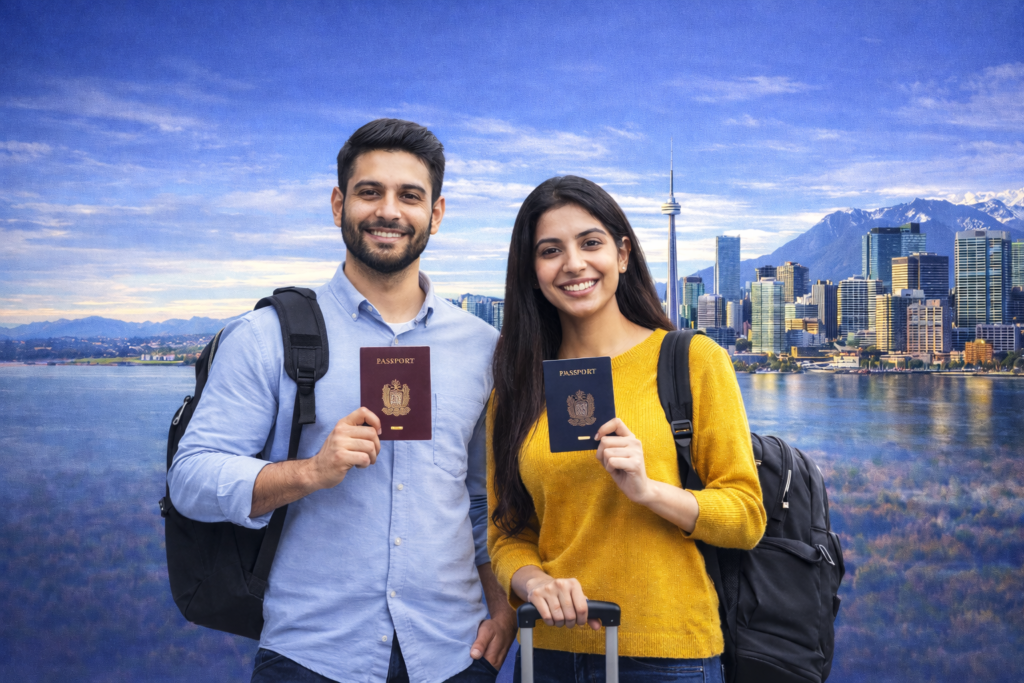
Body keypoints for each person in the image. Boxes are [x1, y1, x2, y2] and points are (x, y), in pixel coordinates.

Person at [169, 119, 516, 683]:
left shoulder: (482, 348)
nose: (389, 211)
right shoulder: (264, 336)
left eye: (410, 195)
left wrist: (501, 605)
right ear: (338, 204)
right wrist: (309, 471)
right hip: (312, 655)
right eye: (369, 191)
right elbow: (191, 479)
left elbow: (482, 498)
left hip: (455, 654)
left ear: (438, 213)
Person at [486, 176, 767, 681]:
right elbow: (508, 533)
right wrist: (533, 584)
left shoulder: (693, 361)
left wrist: (649, 490)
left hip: (667, 654)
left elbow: (747, 517)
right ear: (531, 272)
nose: (573, 263)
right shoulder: (516, 388)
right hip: (548, 653)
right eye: (551, 251)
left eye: (590, 243)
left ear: (622, 254)